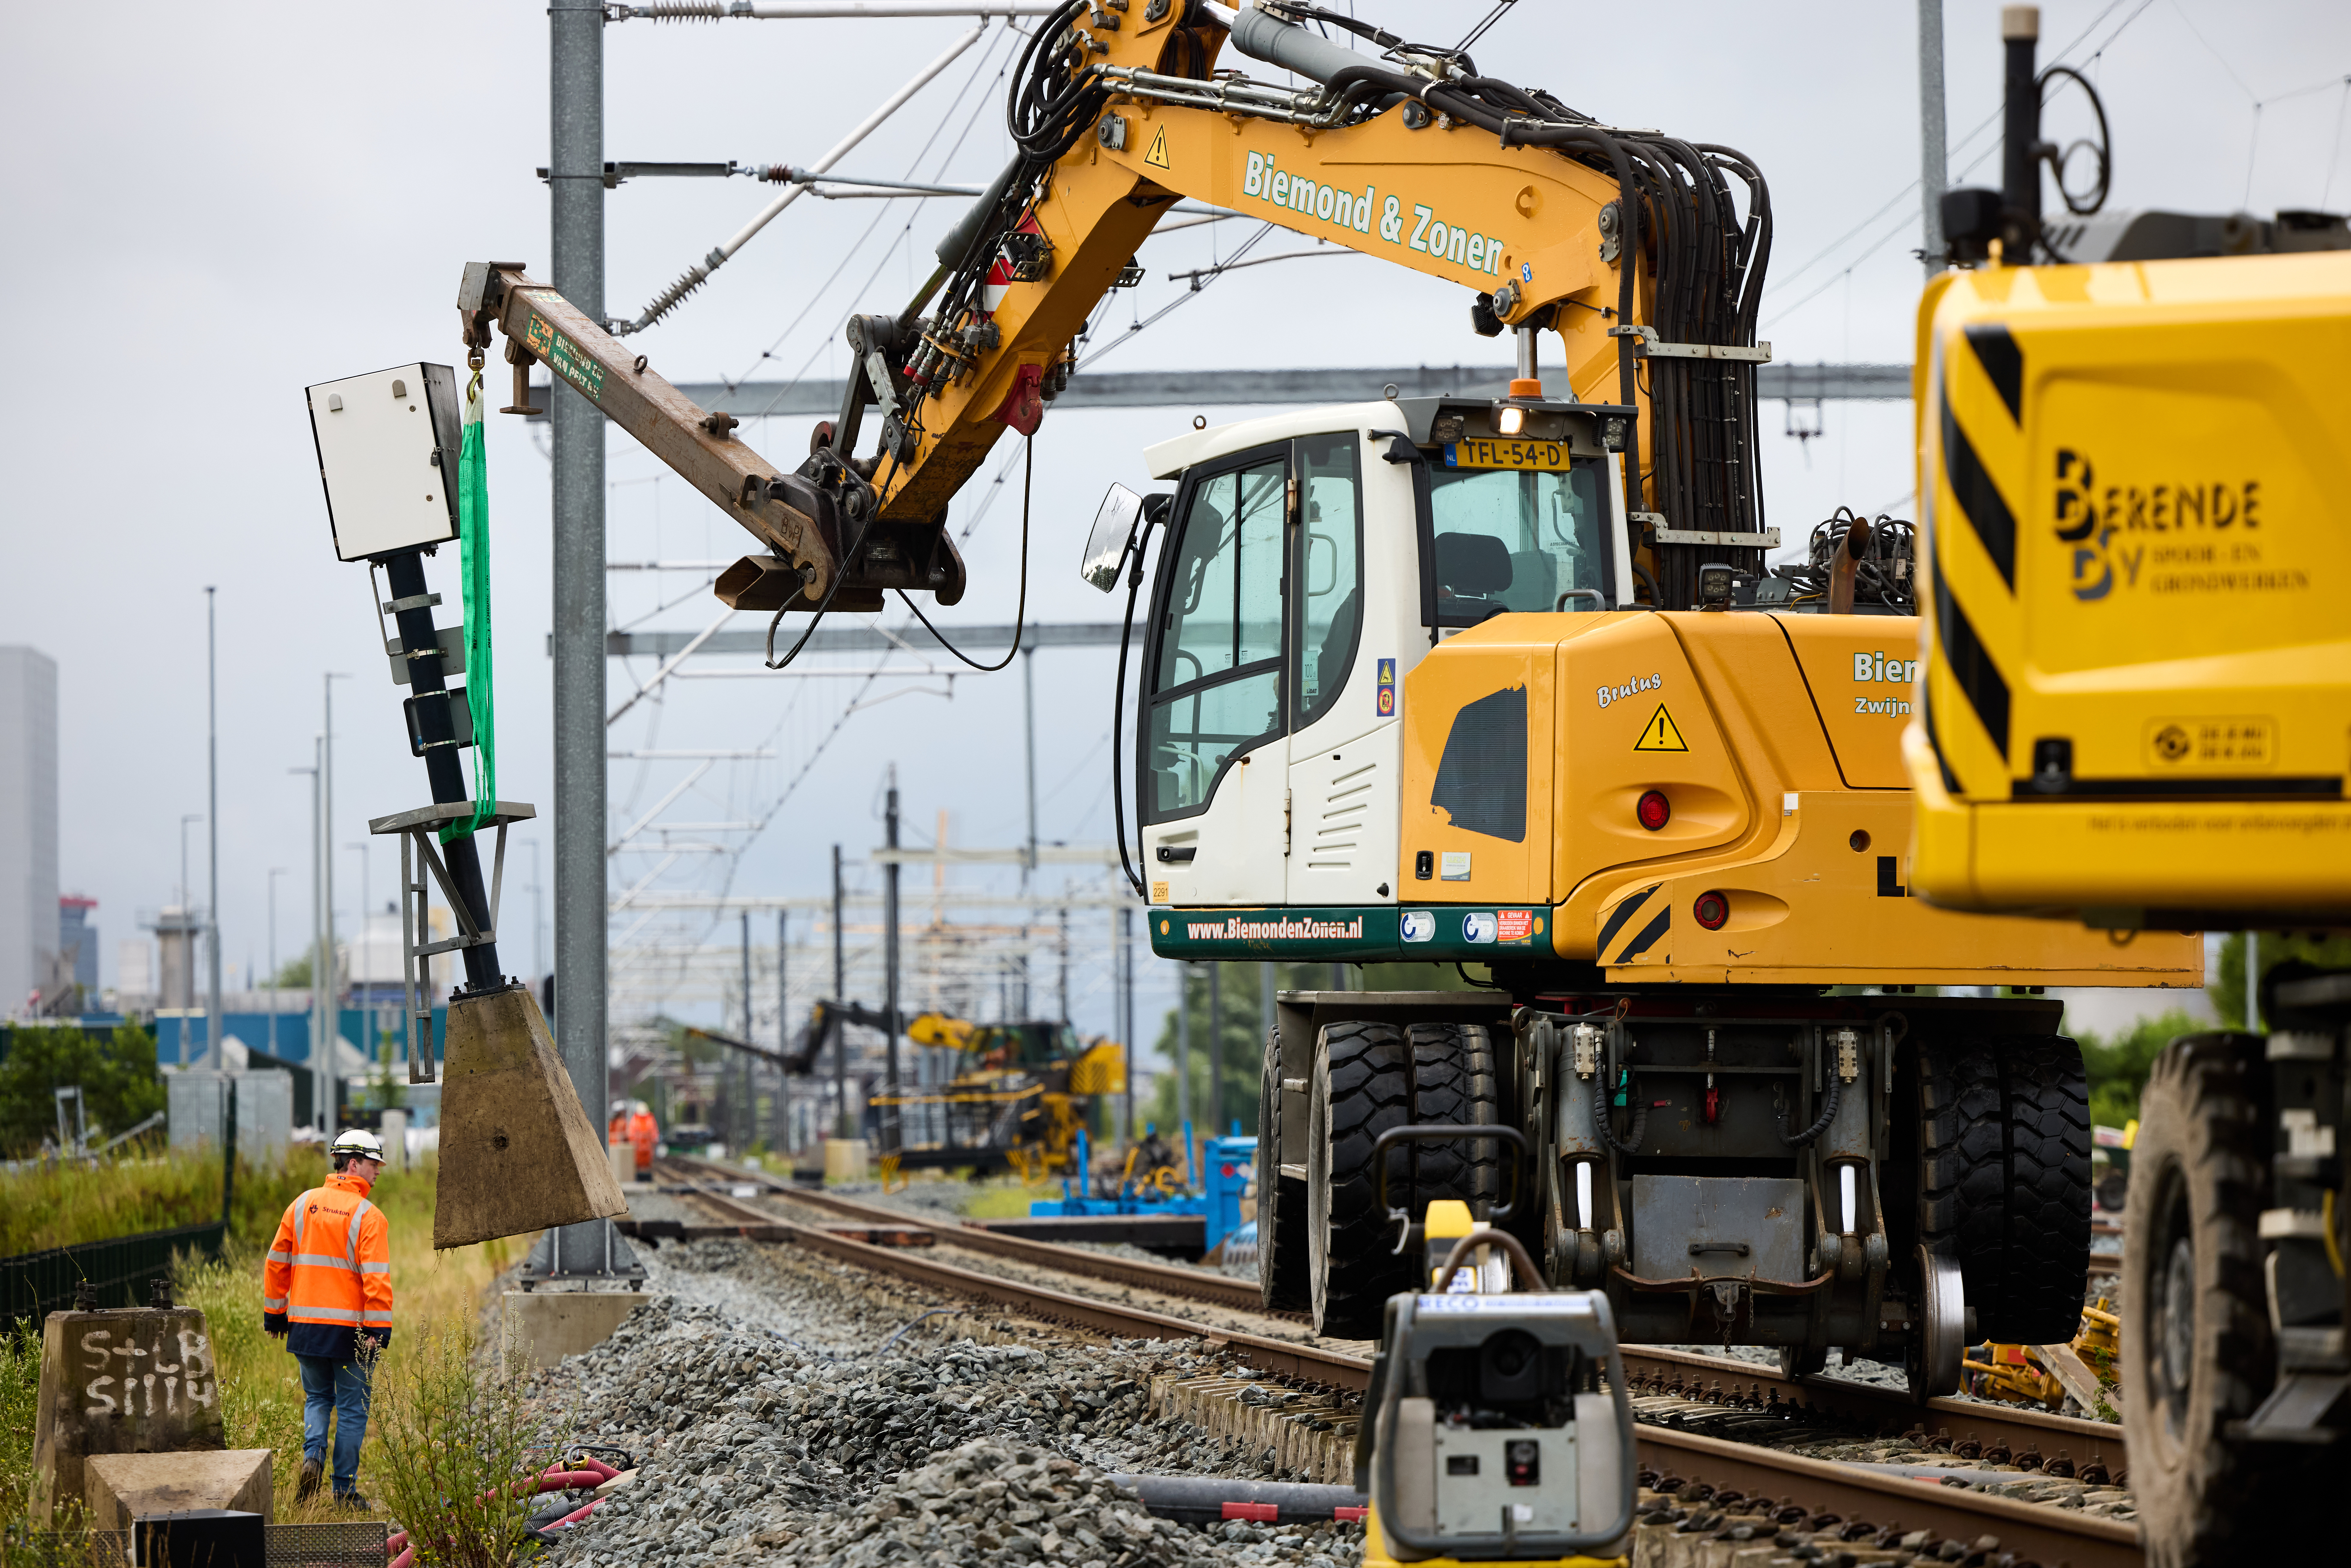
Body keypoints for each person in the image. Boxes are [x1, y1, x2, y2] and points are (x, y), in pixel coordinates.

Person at [263, 1127, 393, 1509]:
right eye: (373, 1164)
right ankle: (343, 1491)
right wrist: (377, 1329)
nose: (378, 1171)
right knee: (353, 1409)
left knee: (318, 1397)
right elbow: (377, 1278)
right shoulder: (369, 1216)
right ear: (353, 1163)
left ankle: (312, 1456)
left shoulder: (301, 1205)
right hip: (351, 1333)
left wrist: (275, 1315)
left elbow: (276, 1262)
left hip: (305, 1327)